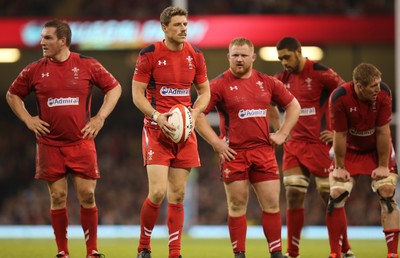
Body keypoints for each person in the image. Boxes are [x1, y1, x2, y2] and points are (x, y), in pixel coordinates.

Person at [5, 20, 121, 258]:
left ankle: (92, 251)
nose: (42, 42)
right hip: (50, 143)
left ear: (63, 41)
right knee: (58, 196)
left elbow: (114, 88)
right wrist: (28, 120)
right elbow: (12, 94)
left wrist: (100, 117)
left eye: (48, 38)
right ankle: (63, 252)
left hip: (81, 141)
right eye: (42, 37)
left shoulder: (87, 65)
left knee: (87, 194)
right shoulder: (34, 70)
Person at [195, 37, 300, 258]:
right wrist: (216, 142)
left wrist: (282, 133)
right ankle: (239, 254)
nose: (239, 59)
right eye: (235, 55)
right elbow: (196, 114)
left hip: (263, 151)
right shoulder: (218, 84)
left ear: (253, 57)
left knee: (271, 204)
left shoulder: (267, 82)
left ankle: (276, 253)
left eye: (244, 55)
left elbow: (294, 105)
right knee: (236, 205)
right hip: (235, 153)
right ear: (229, 57)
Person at [131, 6, 210, 258]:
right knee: (157, 192)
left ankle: (174, 253)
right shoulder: (150, 53)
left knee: (178, 194)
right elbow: (137, 94)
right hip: (156, 129)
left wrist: (195, 113)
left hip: (184, 132)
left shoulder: (195, 55)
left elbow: (205, 92)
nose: (183, 29)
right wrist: (156, 115)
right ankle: (144, 247)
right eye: (177, 25)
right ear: (164, 28)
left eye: (185, 24)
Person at [273, 36, 354, 258]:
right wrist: (281, 131)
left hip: (321, 145)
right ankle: (292, 252)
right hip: (294, 145)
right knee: (293, 194)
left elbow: (349, 96)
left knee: (332, 198)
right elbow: (268, 101)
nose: (283, 62)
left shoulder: (322, 73)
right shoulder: (281, 79)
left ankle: (344, 249)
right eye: (280, 59)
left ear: (298, 51)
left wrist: (339, 131)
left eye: (286, 57)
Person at [327, 63, 399, 258]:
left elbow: (383, 131)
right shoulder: (339, 97)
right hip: (349, 149)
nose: (378, 88)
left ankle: (393, 254)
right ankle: (335, 253)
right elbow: (340, 135)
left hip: (377, 149)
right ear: (359, 86)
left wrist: (383, 165)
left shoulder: (384, 93)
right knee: (336, 194)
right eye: (373, 86)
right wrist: (340, 167)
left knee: (387, 192)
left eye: (379, 83)